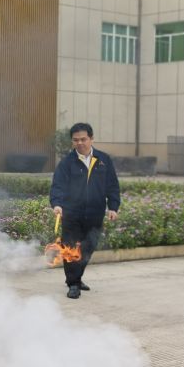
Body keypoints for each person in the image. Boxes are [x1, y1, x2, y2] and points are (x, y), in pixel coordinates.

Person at [49, 122, 120, 299]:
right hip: (72, 214)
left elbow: (112, 185)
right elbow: (57, 186)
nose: (80, 143)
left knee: (88, 248)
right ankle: (73, 284)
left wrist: (113, 207)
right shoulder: (67, 163)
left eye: (83, 139)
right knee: (71, 248)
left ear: (91, 138)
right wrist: (57, 204)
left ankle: (77, 278)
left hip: (95, 214)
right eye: (76, 140)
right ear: (72, 141)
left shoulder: (104, 160)